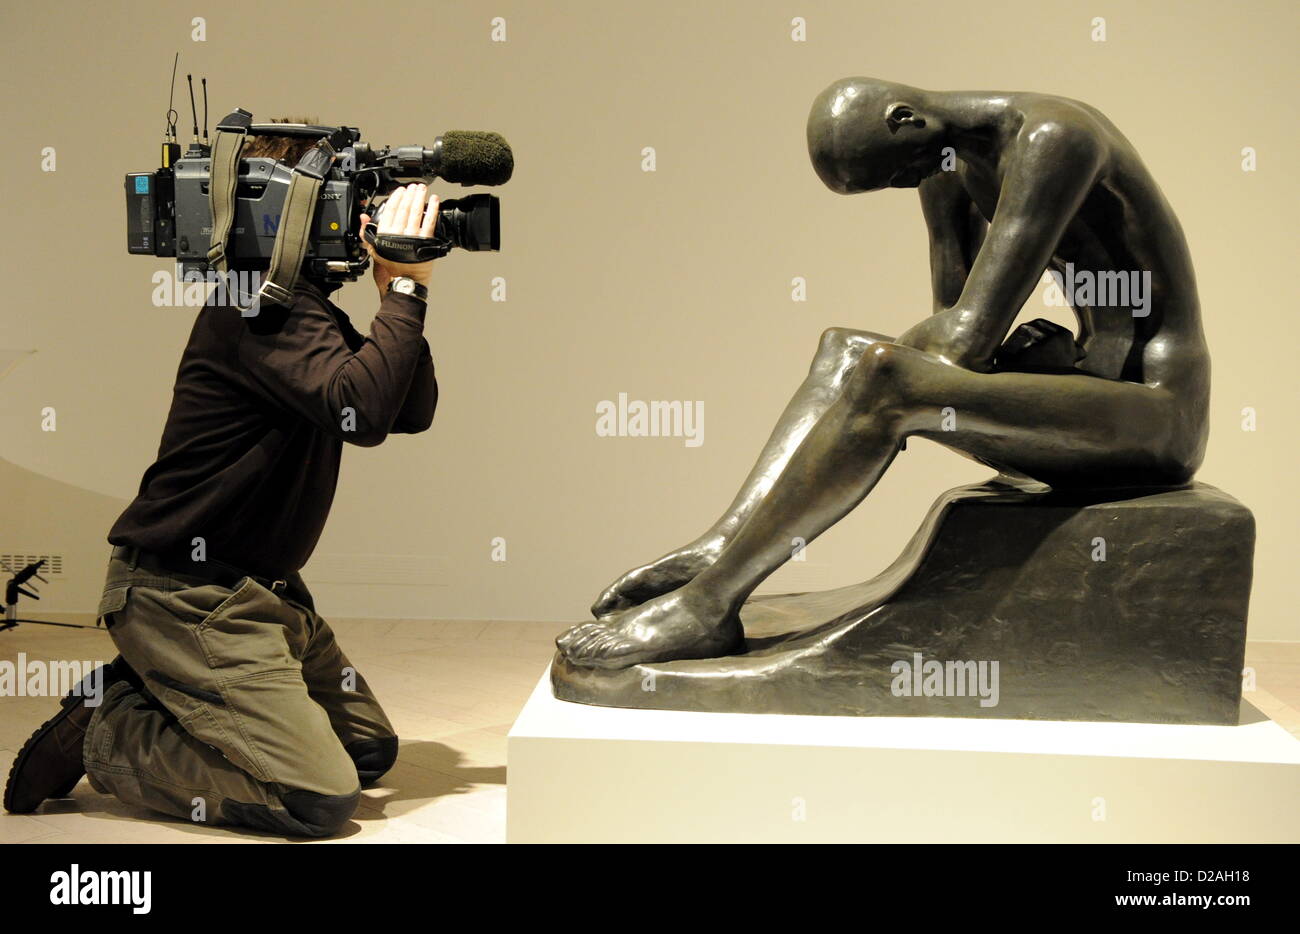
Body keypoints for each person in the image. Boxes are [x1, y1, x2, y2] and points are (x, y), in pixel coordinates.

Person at [559, 77, 1210, 669]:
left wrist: (950, 359)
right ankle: (723, 548)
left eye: (902, 173)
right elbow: (957, 332)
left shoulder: (1054, 138)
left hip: (1156, 416)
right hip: (1093, 390)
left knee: (882, 376)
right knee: (844, 350)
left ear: (906, 119)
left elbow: (964, 338)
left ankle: (707, 605)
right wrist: (1023, 362)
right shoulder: (946, 163)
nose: (914, 183)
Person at [4, 121, 443, 837]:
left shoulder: (300, 311)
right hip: (183, 593)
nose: (357, 217)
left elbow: (406, 409)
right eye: (340, 199)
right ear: (282, 207)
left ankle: (155, 683)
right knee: (319, 798)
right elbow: (361, 411)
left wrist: (401, 291)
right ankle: (105, 732)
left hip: (261, 597)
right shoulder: (252, 310)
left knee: (367, 750)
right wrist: (406, 298)